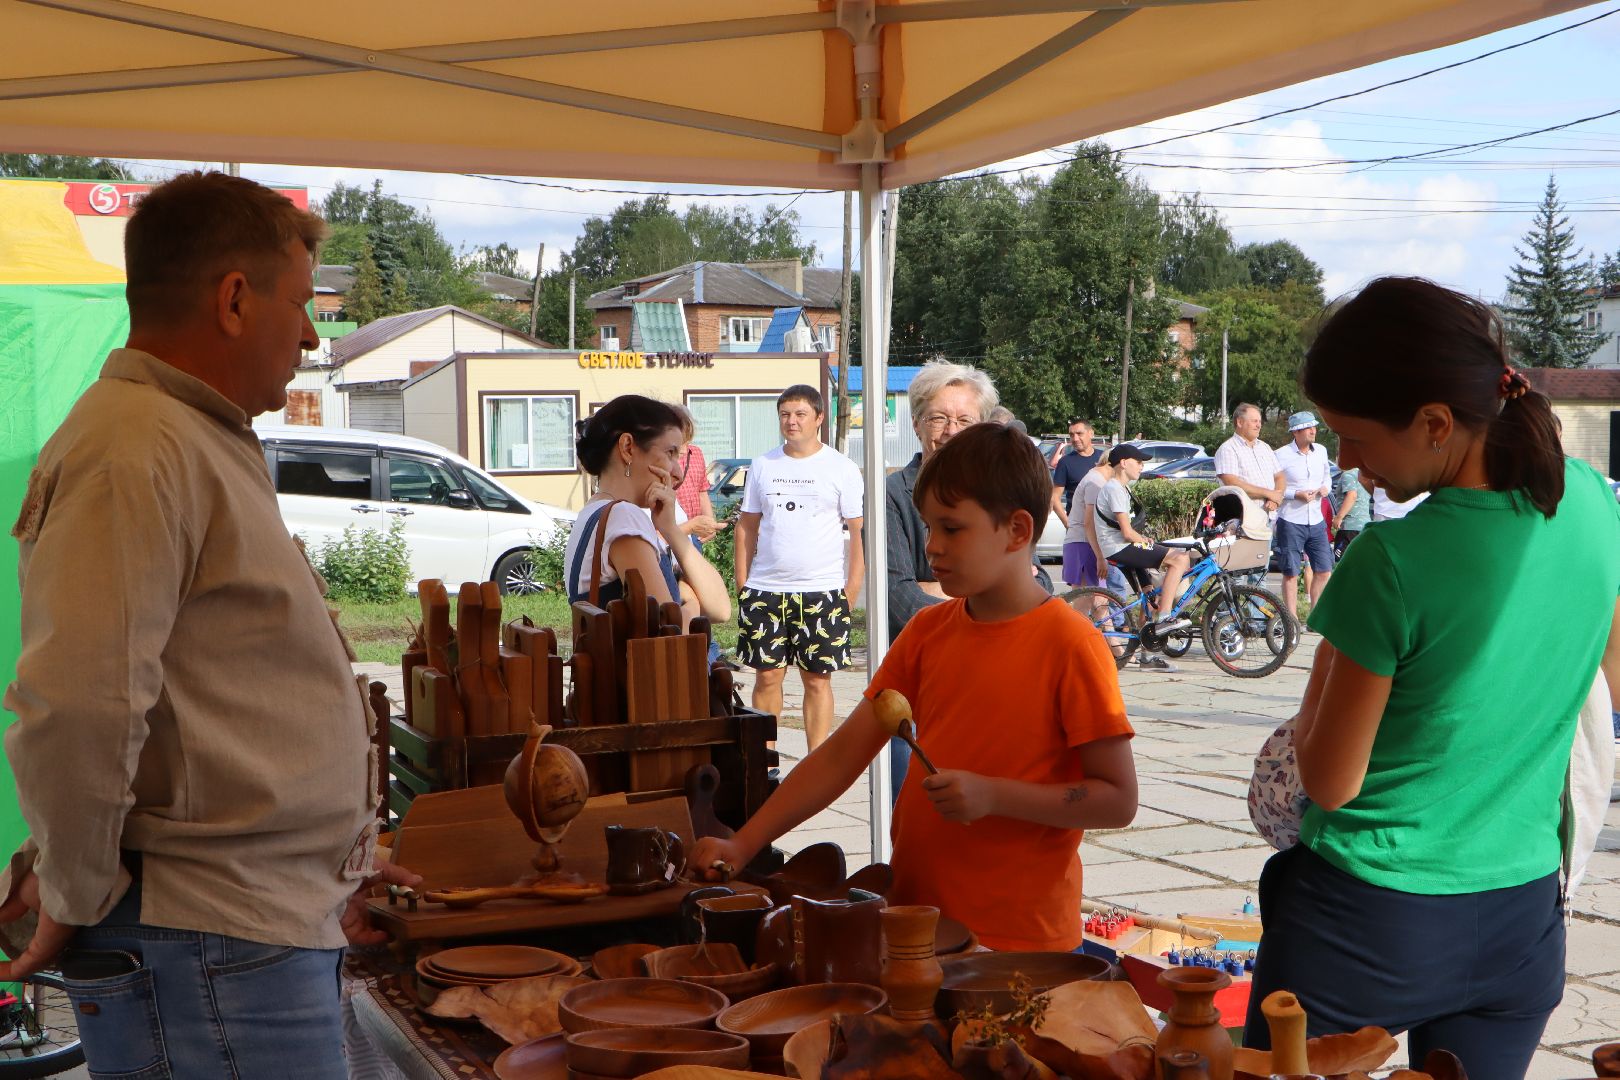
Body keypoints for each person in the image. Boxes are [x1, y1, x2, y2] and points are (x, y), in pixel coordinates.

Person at [0, 171, 420, 1078]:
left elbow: (218, 703)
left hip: (230, 940)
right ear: (234, 298)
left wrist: (328, 856)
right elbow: (80, 706)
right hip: (208, 949)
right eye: (301, 304)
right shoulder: (138, 446)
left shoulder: (181, 435)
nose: (312, 334)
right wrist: (72, 889)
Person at [1242, 277, 1620, 1080]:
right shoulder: (1592, 502)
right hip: (1522, 918)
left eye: (1355, 437)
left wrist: (1324, 671)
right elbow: (1610, 682)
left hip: (1368, 923)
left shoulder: (1392, 560)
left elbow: (1332, 781)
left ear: (1437, 423)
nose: (1343, 461)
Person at [691, 423, 1138, 951]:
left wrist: (994, 795)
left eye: (952, 529)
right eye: (929, 528)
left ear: (1017, 531)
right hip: (915, 925)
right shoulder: (927, 632)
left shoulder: (1072, 645)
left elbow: (1117, 800)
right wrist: (744, 843)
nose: (932, 547)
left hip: (1020, 944)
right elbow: (841, 756)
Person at [885, 361, 999, 794]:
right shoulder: (893, 494)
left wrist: (932, 587)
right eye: (938, 418)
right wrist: (984, 597)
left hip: (991, 686)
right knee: (913, 814)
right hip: (919, 686)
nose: (951, 430)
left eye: (964, 420)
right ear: (917, 424)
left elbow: (1037, 587)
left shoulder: (998, 492)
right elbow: (897, 596)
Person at [733, 385, 864, 751]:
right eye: (785, 414)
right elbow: (746, 526)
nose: (791, 422)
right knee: (767, 677)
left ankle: (816, 759)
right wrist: (744, 584)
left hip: (822, 591)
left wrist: (850, 591)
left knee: (818, 680)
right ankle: (766, 758)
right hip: (766, 590)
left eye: (800, 414)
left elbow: (858, 534)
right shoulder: (763, 465)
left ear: (819, 418)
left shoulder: (841, 468)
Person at [564, 395, 731, 630]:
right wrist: (692, 603)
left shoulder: (592, 512)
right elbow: (667, 631)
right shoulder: (623, 516)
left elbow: (720, 609)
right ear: (628, 448)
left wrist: (670, 529)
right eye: (670, 453)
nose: (677, 473)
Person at [1096, 445, 1193, 635]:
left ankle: (1146, 656)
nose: (1141, 466)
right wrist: (1145, 541)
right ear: (1123, 463)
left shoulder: (1121, 488)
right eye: (1138, 462)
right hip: (1120, 546)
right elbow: (1127, 532)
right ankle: (1166, 617)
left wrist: (1144, 540)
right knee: (1180, 559)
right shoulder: (1115, 488)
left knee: (1150, 597)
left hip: (1120, 546)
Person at [1272, 410, 1334, 619]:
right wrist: (1294, 494)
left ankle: (1315, 616)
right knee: (1291, 572)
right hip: (1291, 520)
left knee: (1324, 569)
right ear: (1296, 432)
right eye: (1309, 427)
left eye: (1314, 427)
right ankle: (1291, 619)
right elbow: (1273, 487)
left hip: (1316, 519)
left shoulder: (1322, 451)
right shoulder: (1281, 455)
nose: (1313, 431)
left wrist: (1325, 487)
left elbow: (1327, 477)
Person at [672, 435, 726, 546]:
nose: (685, 449)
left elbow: (702, 490)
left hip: (695, 532)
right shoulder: (664, 455)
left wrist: (710, 522)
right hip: (672, 530)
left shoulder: (696, 452)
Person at [1050, 418, 1104, 530]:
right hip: (1079, 527)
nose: (1075, 439)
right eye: (1071, 435)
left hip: (1103, 526)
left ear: (1091, 434)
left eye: (1079, 434)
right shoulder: (1065, 462)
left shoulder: (1104, 459)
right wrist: (1068, 524)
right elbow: (1055, 497)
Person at [1330, 460, 1370, 558]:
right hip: (1365, 526)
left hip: (1349, 527)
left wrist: (1339, 517)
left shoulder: (1347, 475)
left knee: (1340, 562)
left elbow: (1352, 495)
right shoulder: (1363, 476)